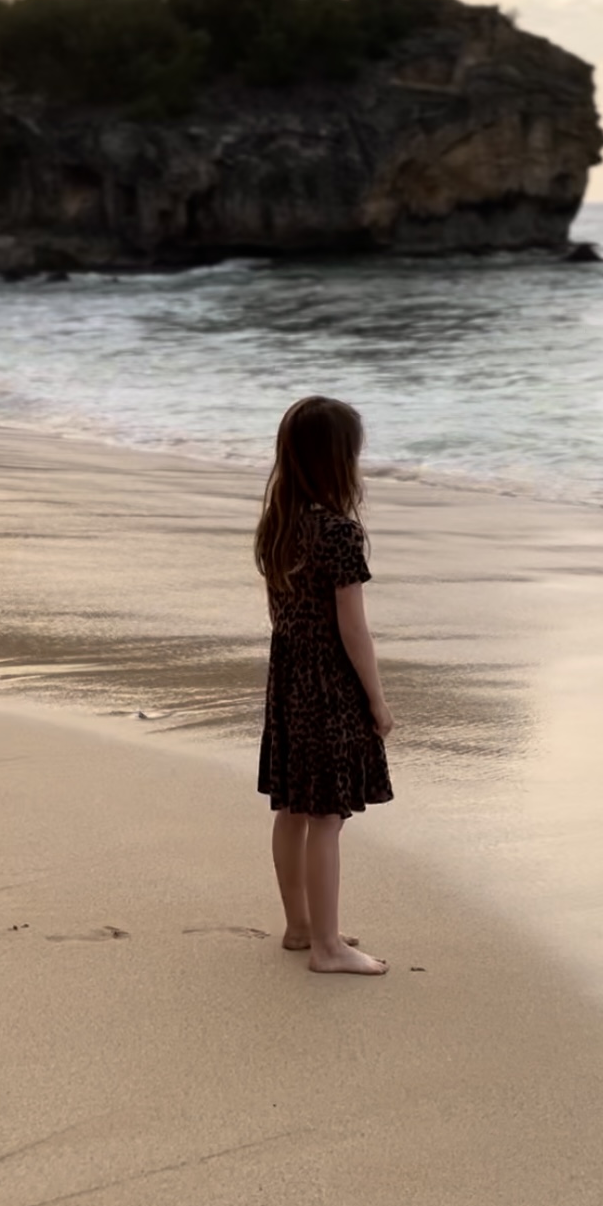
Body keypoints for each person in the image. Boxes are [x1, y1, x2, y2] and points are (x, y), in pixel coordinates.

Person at [254, 396, 393, 975]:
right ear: (340, 461)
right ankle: (328, 948)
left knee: (291, 808)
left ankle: (300, 926)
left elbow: (277, 610)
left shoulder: (280, 524)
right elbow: (353, 627)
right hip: (327, 684)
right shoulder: (338, 532)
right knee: (326, 818)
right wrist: (377, 700)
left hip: (287, 680)